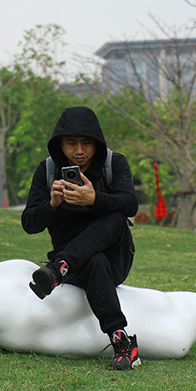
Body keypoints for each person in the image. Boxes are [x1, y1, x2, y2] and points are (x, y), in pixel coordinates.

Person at [21, 106, 141, 370]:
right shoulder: (48, 170)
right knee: (94, 260)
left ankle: (58, 268)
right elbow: (29, 224)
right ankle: (122, 343)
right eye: (71, 143)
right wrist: (51, 205)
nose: (79, 151)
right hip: (79, 265)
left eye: (87, 143)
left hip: (114, 258)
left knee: (116, 217)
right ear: (60, 144)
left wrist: (94, 199)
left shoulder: (113, 164)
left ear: (97, 144)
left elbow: (130, 204)